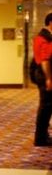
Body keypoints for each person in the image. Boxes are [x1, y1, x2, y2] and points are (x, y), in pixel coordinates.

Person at [33, 12, 52, 146]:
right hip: (46, 75)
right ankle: (40, 139)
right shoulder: (43, 38)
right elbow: (45, 60)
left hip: (46, 75)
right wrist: (49, 79)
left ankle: (43, 135)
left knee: (47, 107)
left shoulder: (47, 37)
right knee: (45, 107)